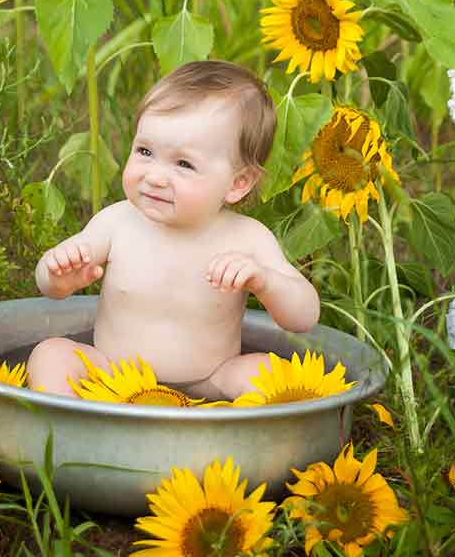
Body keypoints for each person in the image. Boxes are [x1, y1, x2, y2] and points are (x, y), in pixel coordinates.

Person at [28, 60, 321, 400]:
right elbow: (48, 285)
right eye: (146, 151)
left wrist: (265, 282)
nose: (154, 176)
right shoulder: (117, 222)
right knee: (51, 354)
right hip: (110, 374)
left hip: (210, 381)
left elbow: (304, 316)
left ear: (237, 183)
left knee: (271, 374)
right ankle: (69, 428)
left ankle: (242, 440)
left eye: (183, 164)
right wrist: (58, 276)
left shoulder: (247, 238)